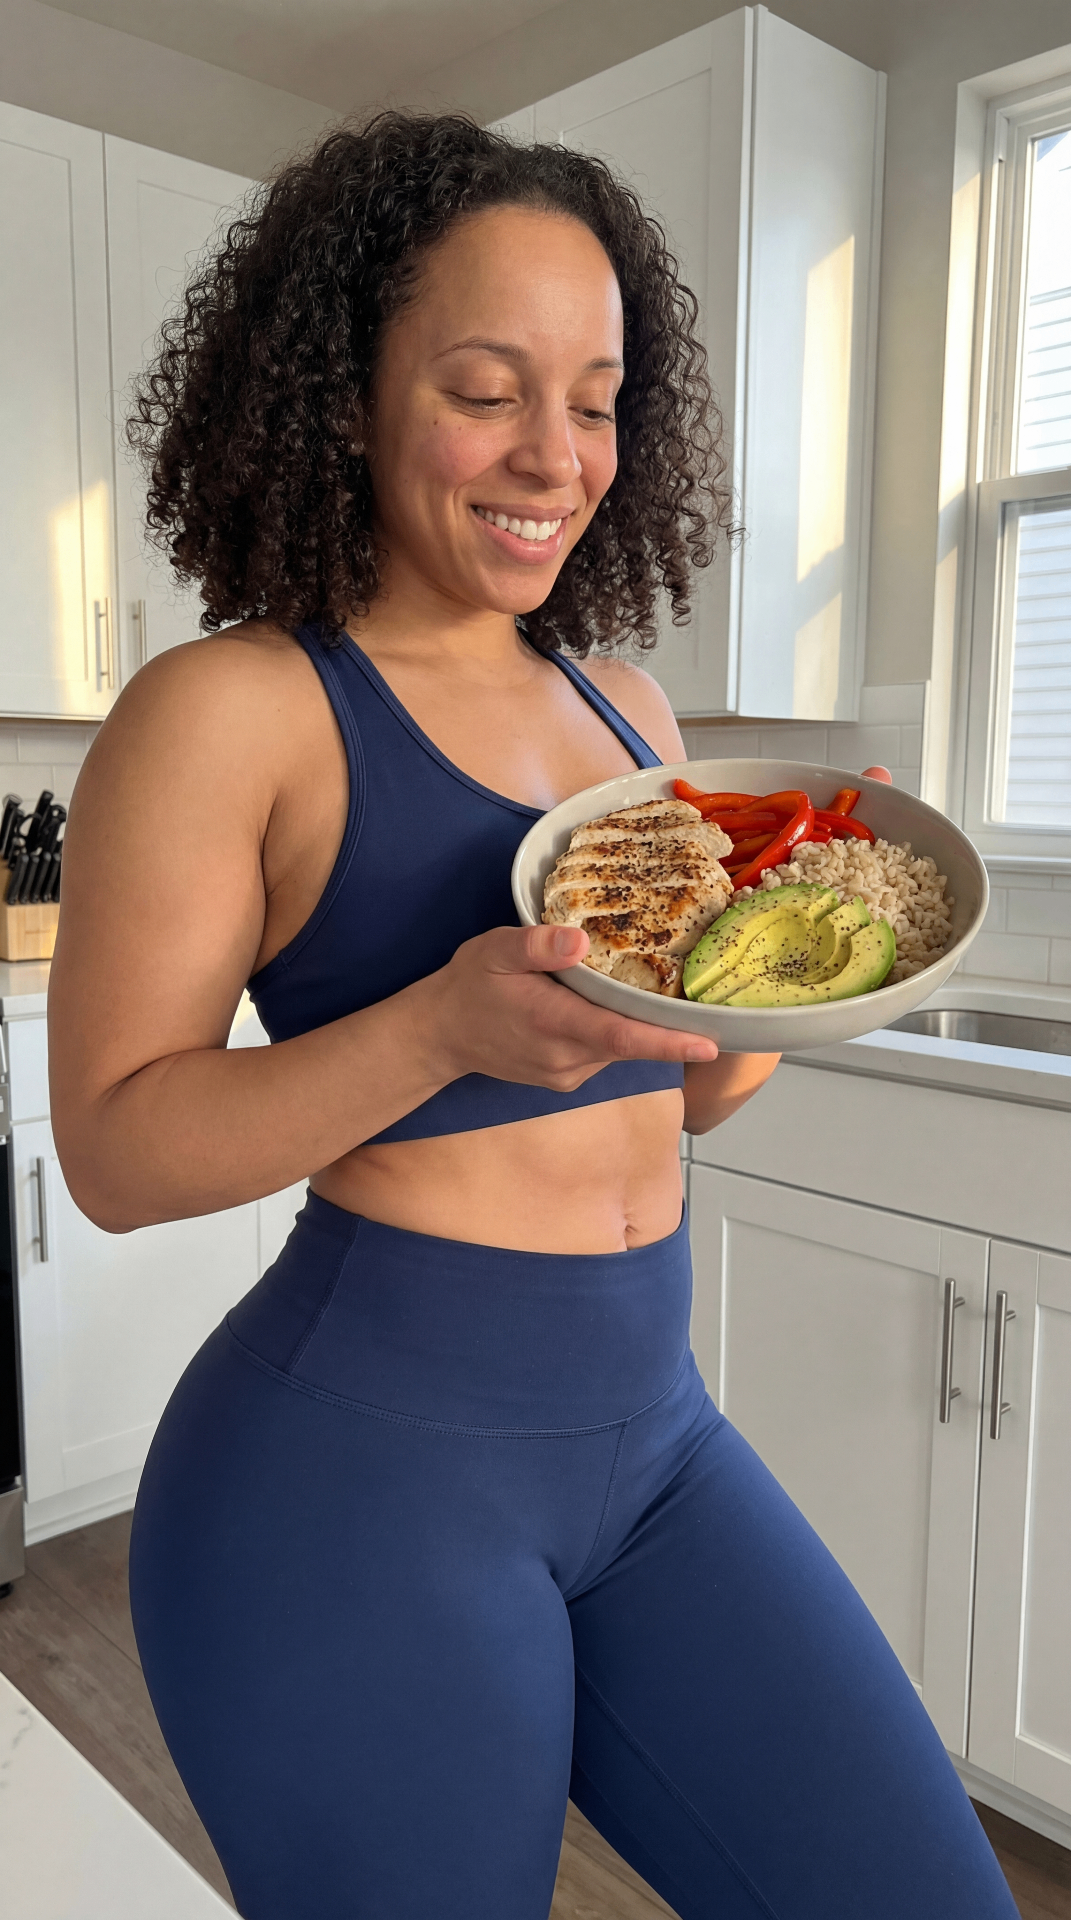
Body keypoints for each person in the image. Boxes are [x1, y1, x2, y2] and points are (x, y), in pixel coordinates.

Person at [48, 114, 1016, 1920]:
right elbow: (112, 1149)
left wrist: (814, 943)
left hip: (653, 1440)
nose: (553, 457)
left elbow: (688, 1098)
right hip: (355, 1477)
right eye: (487, 390)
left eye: (594, 398)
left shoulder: (628, 711)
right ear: (345, 396)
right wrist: (435, 1030)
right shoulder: (234, 706)